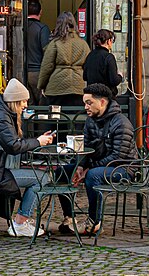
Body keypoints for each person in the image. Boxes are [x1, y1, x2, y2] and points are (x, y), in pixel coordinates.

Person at [0, 78, 56, 237]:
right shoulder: (1, 117)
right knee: (41, 178)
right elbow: (14, 146)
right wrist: (38, 141)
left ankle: (21, 221)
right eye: (24, 101)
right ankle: (21, 223)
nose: (26, 105)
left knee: (40, 176)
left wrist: (38, 141)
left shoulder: (1, 113)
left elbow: (13, 143)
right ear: (15, 101)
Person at [57, 84, 136, 237]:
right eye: (85, 103)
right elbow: (84, 147)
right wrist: (80, 165)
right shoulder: (91, 120)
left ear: (102, 102)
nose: (86, 107)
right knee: (62, 171)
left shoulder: (121, 123)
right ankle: (69, 218)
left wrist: (88, 169)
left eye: (89, 102)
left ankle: (94, 222)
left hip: (124, 168)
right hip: (98, 164)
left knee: (93, 175)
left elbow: (117, 157)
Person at [38, 12, 90, 108]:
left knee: (56, 118)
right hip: (78, 87)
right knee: (75, 118)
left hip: (56, 87)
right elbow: (88, 67)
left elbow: (47, 67)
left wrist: (41, 85)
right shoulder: (83, 44)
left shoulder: (55, 43)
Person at [24, 1, 51, 100]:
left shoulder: (20, 27)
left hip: (20, 71)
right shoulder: (42, 29)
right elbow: (47, 53)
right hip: (37, 72)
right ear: (40, 12)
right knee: (41, 105)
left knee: (28, 106)